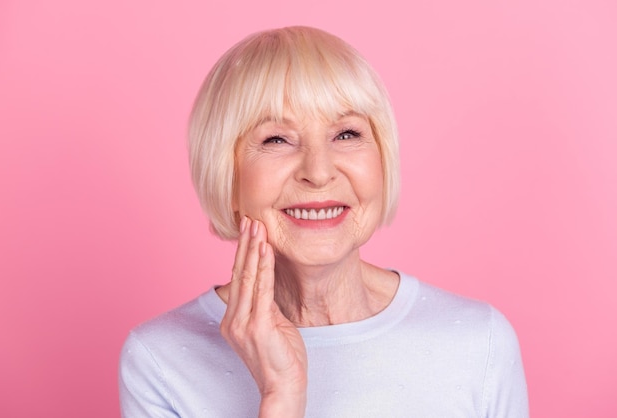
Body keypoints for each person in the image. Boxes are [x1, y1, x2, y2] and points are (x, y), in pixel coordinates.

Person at [119, 26, 529, 417]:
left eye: (347, 134)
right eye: (276, 139)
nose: (318, 171)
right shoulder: (162, 359)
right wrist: (281, 396)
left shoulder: (479, 341)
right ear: (227, 177)